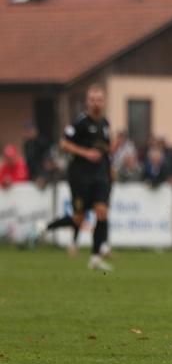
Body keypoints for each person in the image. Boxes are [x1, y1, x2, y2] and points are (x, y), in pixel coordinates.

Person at [43, 85, 114, 270]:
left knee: (102, 212)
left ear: (104, 101)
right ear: (87, 102)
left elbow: (104, 149)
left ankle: (96, 257)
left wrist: (109, 163)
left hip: (99, 176)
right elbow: (63, 143)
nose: (96, 103)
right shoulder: (80, 122)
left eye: (99, 99)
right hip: (80, 177)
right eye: (92, 99)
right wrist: (86, 153)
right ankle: (44, 227)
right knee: (78, 218)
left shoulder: (105, 124)